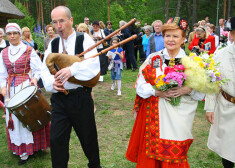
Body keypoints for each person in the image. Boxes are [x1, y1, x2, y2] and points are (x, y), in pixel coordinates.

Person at [126, 17, 204, 168]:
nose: (171, 39)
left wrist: (188, 89)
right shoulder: (153, 58)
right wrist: (157, 92)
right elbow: (140, 85)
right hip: (153, 118)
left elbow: (201, 95)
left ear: (183, 39)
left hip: (179, 118)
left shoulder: (192, 63)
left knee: (176, 153)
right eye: (167, 35)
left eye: (175, 36)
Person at [40, 6, 101, 168]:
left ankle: (95, 165)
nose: (58, 26)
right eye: (55, 22)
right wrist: (51, 84)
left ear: (71, 20)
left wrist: (72, 69)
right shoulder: (53, 44)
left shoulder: (84, 39)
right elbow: (44, 70)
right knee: (56, 139)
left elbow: (94, 66)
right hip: (59, 100)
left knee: (88, 139)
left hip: (80, 97)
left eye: (62, 21)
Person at [0, 23, 50, 165]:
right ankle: (21, 150)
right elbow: (2, 73)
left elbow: (38, 69)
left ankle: (35, 146)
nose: (12, 36)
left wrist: (34, 79)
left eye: (15, 33)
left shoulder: (28, 50)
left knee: (30, 116)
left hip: (25, 86)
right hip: (10, 89)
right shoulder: (3, 53)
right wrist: (3, 87)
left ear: (19, 34)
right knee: (15, 119)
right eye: (9, 34)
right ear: (6, 36)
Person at [205, 16, 235, 168]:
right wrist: (210, 107)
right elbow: (212, 82)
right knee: (227, 148)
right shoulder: (220, 55)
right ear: (232, 34)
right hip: (227, 106)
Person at [76, 23, 97, 112]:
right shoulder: (76, 41)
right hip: (78, 68)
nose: (82, 33)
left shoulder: (90, 41)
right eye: (80, 31)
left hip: (87, 67)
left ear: (87, 32)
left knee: (88, 89)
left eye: (84, 31)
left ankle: (93, 106)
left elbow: (92, 57)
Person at [0, 28, 10, 119]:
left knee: (5, 89)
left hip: (6, 69)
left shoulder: (7, 44)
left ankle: (7, 111)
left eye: (0, 33)